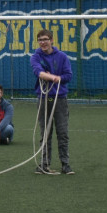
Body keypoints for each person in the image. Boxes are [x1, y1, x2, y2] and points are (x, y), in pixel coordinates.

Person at [31, 29, 73, 175]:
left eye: (45, 39)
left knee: (62, 132)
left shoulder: (62, 57)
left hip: (60, 99)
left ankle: (65, 165)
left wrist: (56, 77)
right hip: (43, 98)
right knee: (45, 133)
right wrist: (51, 77)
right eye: (40, 40)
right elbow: (38, 72)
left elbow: (68, 75)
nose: (43, 42)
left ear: (51, 40)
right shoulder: (35, 57)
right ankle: (44, 164)